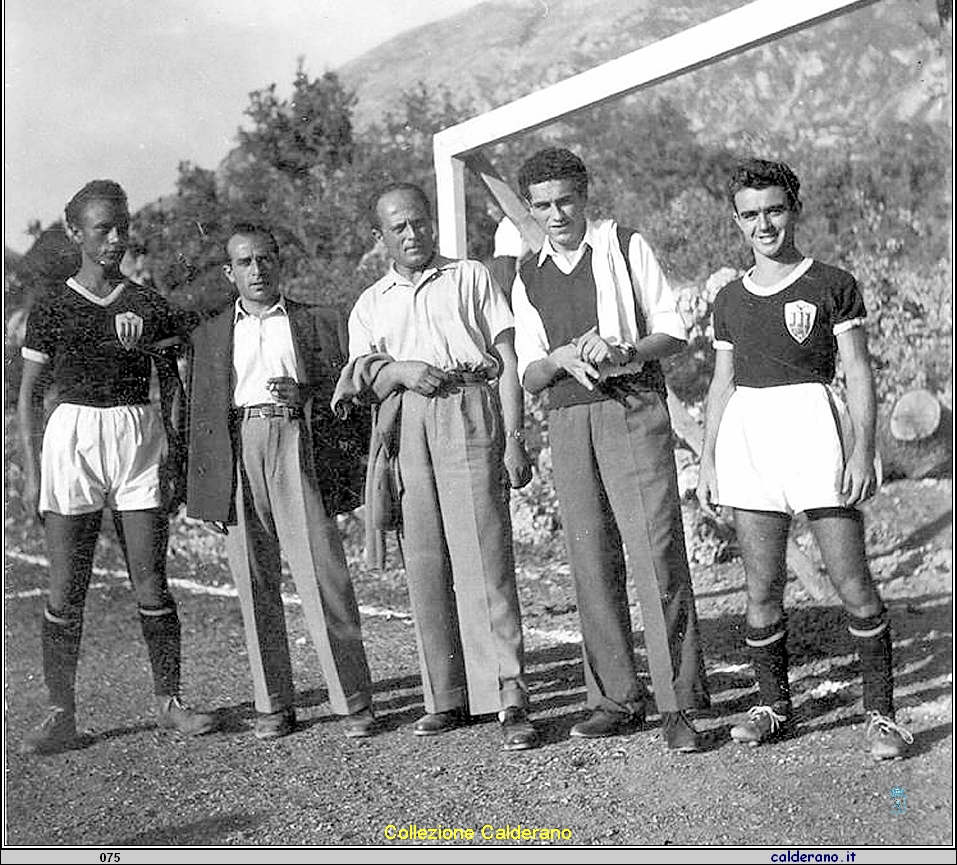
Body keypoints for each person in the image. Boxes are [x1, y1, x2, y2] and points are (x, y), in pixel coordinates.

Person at [696, 158, 913, 760]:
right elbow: (721, 384)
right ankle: (773, 706)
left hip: (816, 428)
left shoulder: (831, 283)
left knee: (852, 580)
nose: (763, 224)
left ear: (793, 208)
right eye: (749, 215)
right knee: (761, 585)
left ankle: (882, 715)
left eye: (773, 210)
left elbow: (860, 373)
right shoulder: (729, 299)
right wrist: (711, 459)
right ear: (736, 222)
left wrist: (863, 448)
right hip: (750, 437)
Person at [510, 147, 710, 752]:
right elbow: (527, 369)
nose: (556, 213)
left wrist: (621, 349)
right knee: (591, 561)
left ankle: (678, 705)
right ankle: (616, 699)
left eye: (565, 199)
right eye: (542, 205)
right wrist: (558, 359)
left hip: (632, 406)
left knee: (655, 554)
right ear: (531, 208)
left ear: (585, 193)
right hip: (568, 420)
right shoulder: (527, 272)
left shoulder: (623, 245)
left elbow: (674, 330)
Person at [17, 180, 217, 754]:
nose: (114, 239)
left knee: (151, 580)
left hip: (136, 435)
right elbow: (32, 394)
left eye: (121, 226)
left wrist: (176, 453)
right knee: (64, 587)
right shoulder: (52, 306)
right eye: (102, 228)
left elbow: (176, 384)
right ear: (75, 233)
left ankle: (169, 701)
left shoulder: (148, 304)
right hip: (73, 438)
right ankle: (61, 712)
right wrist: (32, 471)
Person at [338, 183, 538, 751]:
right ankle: (444, 697)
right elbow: (360, 377)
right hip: (408, 426)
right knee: (424, 559)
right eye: (398, 227)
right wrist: (398, 370)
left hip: (469, 408)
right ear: (380, 237)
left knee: (485, 555)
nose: (412, 234)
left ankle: (507, 697)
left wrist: (514, 439)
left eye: (419, 222)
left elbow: (506, 360)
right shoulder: (371, 302)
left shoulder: (470, 276)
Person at [185, 223, 376, 740]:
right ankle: (273, 704)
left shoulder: (319, 322)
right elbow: (199, 416)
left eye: (266, 259)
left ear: (280, 263)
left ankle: (352, 702)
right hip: (239, 450)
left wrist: (307, 396)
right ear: (230, 273)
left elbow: (350, 402)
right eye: (245, 263)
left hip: (297, 442)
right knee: (254, 583)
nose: (258, 270)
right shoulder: (209, 334)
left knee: (325, 575)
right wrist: (207, 494)